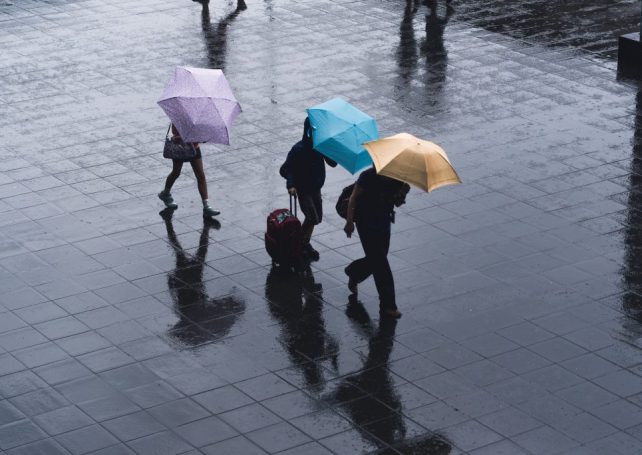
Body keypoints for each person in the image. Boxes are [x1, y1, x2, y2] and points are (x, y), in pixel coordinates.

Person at [343, 167, 409, 319]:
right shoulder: (367, 176)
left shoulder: (396, 177)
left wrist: (403, 192)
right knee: (381, 264)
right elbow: (353, 198)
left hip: (384, 223)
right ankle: (388, 305)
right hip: (366, 224)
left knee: (379, 258)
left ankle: (354, 272)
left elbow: (397, 202)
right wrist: (349, 221)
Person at [280, 117, 337, 261]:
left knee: (316, 218)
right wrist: (291, 185)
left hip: (316, 187)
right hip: (303, 189)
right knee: (312, 217)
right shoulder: (298, 149)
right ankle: (299, 244)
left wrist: (329, 149)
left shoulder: (320, 147)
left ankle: (304, 243)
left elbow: (333, 163)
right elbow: (286, 169)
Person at [158, 124, 220, 218]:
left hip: (194, 148)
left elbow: (200, 134)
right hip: (180, 148)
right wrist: (183, 137)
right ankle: (165, 193)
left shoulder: (197, 119)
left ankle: (206, 206)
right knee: (176, 172)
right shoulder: (178, 118)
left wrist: (203, 137)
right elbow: (175, 137)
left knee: (200, 175)